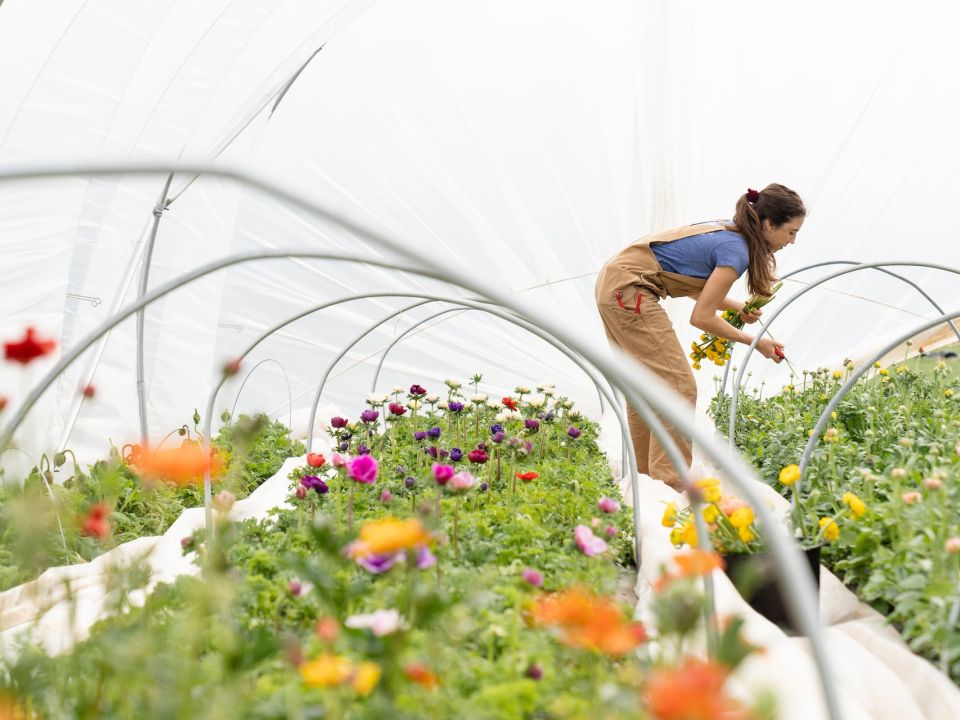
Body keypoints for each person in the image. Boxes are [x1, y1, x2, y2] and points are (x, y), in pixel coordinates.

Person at [594, 183, 805, 490]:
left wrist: (736, 306)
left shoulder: (729, 232)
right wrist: (754, 342)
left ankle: (644, 483)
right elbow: (702, 317)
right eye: (791, 232)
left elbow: (695, 287)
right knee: (679, 386)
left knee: (644, 388)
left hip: (616, 285)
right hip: (630, 291)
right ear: (770, 225)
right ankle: (670, 481)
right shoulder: (737, 249)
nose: (793, 240)